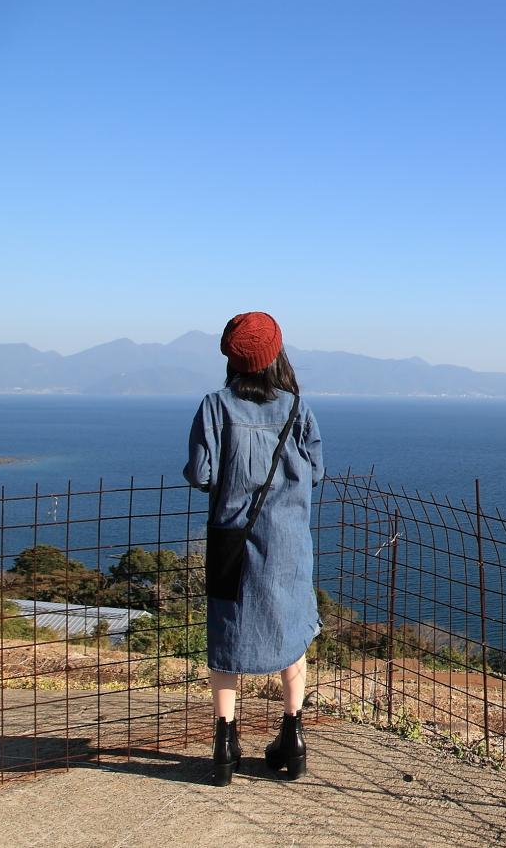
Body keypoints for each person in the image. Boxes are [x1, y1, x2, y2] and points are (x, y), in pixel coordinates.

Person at [184, 312, 324, 786]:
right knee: (292, 632)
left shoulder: (214, 406)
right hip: (288, 543)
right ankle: (293, 735)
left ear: (233, 357)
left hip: (232, 543)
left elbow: (201, 473)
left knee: (227, 637)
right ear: (276, 355)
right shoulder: (296, 409)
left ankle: (224, 745)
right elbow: (316, 471)